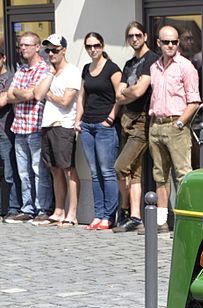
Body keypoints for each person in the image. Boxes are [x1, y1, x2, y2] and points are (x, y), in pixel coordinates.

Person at [148, 25, 200, 233]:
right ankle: (161, 221)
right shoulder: (154, 67)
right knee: (160, 176)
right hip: (156, 126)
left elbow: (194, 101)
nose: (171, 45)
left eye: (174, 42)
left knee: (183, 176)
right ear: (158, 43)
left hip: (176, 125)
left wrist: (180, 123)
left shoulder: (186, 67)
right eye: (166, 42)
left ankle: (184, 222)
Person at [113, 21, 158, 233]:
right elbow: (118, 95)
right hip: (127, 120)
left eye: (138, 35)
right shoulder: (130, 63)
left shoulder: (151, 59)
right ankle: (135, 216)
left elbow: (140, 91)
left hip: (141, 121)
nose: (134, 39)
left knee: (120, 167)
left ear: (146, 36)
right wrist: (130, 91)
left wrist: (128, 91)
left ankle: (123, 209)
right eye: (130, 36)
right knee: (135, 173)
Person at [76, 32, 122, 230]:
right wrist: (78, 120)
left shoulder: (112, 68)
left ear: (102, 46)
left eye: (96, 45)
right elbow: (81, 97)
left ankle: (109, 216)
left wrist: (110, 118)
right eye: (88, 46)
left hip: (104, 126)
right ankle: (98, 214)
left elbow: (120, 96)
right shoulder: (86, 68)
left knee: (107, 172)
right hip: (87, 126)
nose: (92, 49)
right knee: (94, 173)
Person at [5, 32, 52, 224]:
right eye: (20, 45)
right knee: (23, 172)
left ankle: (43, 208)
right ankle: (27, 207)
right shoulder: (21, 70)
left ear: (37, 47)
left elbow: (37, 94)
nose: (22, 48)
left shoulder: (44, 69)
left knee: (38, 170)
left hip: (35, 126)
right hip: (19, 126)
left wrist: (24, 93)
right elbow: (10, 95)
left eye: (26, 45)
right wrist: (24, 93)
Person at [39, 34, 81, 227]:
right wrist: (49, 76)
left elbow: (65, 101)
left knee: (68, 170)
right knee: (54, 170)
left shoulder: (72, 72)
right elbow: (38, 94)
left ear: (64, 50)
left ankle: (72, 213)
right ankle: (58, 210)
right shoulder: (50, 72)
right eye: (48, 50)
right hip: (48, 124)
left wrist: (49, 94)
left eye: (55, 50)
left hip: (64, 125)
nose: (51, 54)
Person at [0, 47, 21, 223]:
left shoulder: (11, 78)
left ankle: (13, 208)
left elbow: (3, 100)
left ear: (4, 58)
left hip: (5, 132)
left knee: (10, 172)